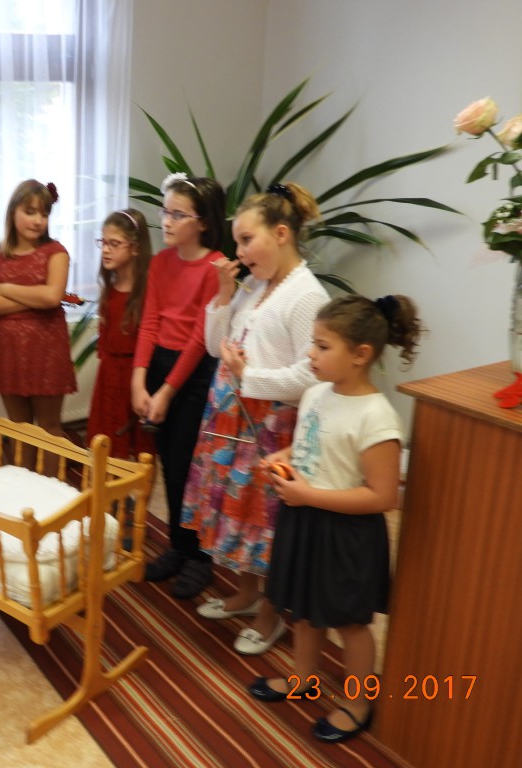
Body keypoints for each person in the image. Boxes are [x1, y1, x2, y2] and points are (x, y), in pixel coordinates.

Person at [249, 294, 422, 744]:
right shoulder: (315, 394)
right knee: (305, 610)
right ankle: (304, 679)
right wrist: (284, 458)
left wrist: (307, 494)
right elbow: (310, 443)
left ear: (360, 355)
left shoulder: (377, 418)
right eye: (313, 343)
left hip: (346, 533)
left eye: (322, 346)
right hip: (305, 520)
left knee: (350, 623)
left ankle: (359, 702)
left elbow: (383, 496)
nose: (310, 354)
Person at [181, 182, 330, 654]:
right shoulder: (257, 285)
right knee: (236, 515)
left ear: (281, 233)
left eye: (247, 240)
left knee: (265, 524)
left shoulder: (306, 296)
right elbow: (214, 346)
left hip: (268, 425)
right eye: (238, 242)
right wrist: (225, 294)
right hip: (231, 418)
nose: (240, 252)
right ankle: (246, 594)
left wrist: (250, 377)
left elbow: (312, 375)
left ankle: (271, 614)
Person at [135, 173, 225, 599]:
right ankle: (178, 545)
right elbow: (150, 321)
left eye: (177, 214)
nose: (166, 221)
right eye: (164, 212)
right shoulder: (160, 262)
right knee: (169, 463)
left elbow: (198, 338)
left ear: (202, 222)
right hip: (159, 365)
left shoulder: (215, 267)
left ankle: (200, 557)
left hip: (193, 373)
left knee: (191, 467)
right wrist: (139, 380)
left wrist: (167, 392)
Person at [0, 179, 76, 470]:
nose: (38, 220)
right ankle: (24, 488)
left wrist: (5, 289)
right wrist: (37, 298)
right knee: (19, 429)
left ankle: (53, 490)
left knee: (49, 427)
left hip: (47, 350)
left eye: (43, 213)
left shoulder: (56, 252)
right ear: (13, 212)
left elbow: (53, 296)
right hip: (10, 352)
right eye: (30, 212)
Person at [87, 208, 156, 461]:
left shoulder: (149, 291)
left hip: (136, 376)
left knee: (141, 449)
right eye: (103, 242)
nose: (105, 250)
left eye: (114, 244)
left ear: (135, 248)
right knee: (108, 445)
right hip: (110, 377)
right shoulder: (110, 287)